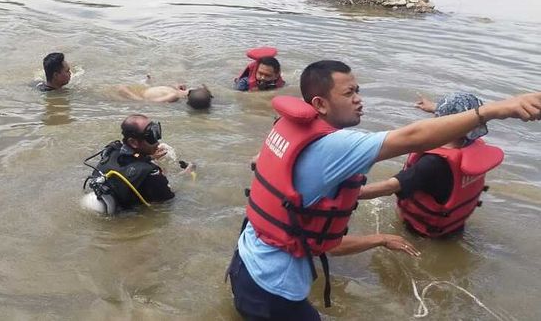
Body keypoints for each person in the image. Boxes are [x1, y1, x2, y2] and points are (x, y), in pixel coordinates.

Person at [229, 60, 541, 320]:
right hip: (272, 289)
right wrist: (493, 110)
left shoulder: (288, 130)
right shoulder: (336, 146)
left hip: (245, 261)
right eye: (349, 93)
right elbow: (413, 137)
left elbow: (305, 225)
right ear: (320, 104)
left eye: (358, 90)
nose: (359, 99)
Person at [358, 92, 505, 237]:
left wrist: (351, 193)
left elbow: (389, 187)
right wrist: (435, 107)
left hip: (419, 233)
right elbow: (463, 121)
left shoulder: (432, 163)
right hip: (455, 228)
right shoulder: (472, 149)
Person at [83, 114, 175, 214]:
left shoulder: (111, 152)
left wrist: (150, 157)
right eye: (151, 137)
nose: (157, 142)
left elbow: (128, 162)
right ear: (133, 142)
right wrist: (187, 175)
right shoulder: (151, 175)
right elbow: (167, 202)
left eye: (156, 132)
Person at [117, 84, 213, 110]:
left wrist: (127, 92)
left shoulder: (173, 96)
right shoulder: (178, 93)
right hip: (145, 89)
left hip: (138, 94)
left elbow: (147, 102)